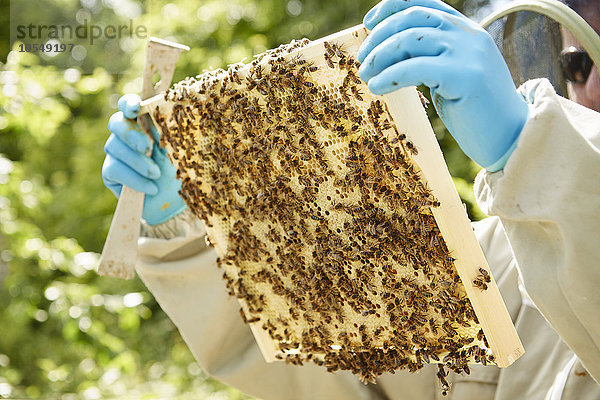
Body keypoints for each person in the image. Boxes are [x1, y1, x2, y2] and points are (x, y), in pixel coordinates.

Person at [101, 0, 600, 398]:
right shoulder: (498, 262)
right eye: (573, 63)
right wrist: (189, 219)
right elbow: (331, 367)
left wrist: (530, 150)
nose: (590, 83)